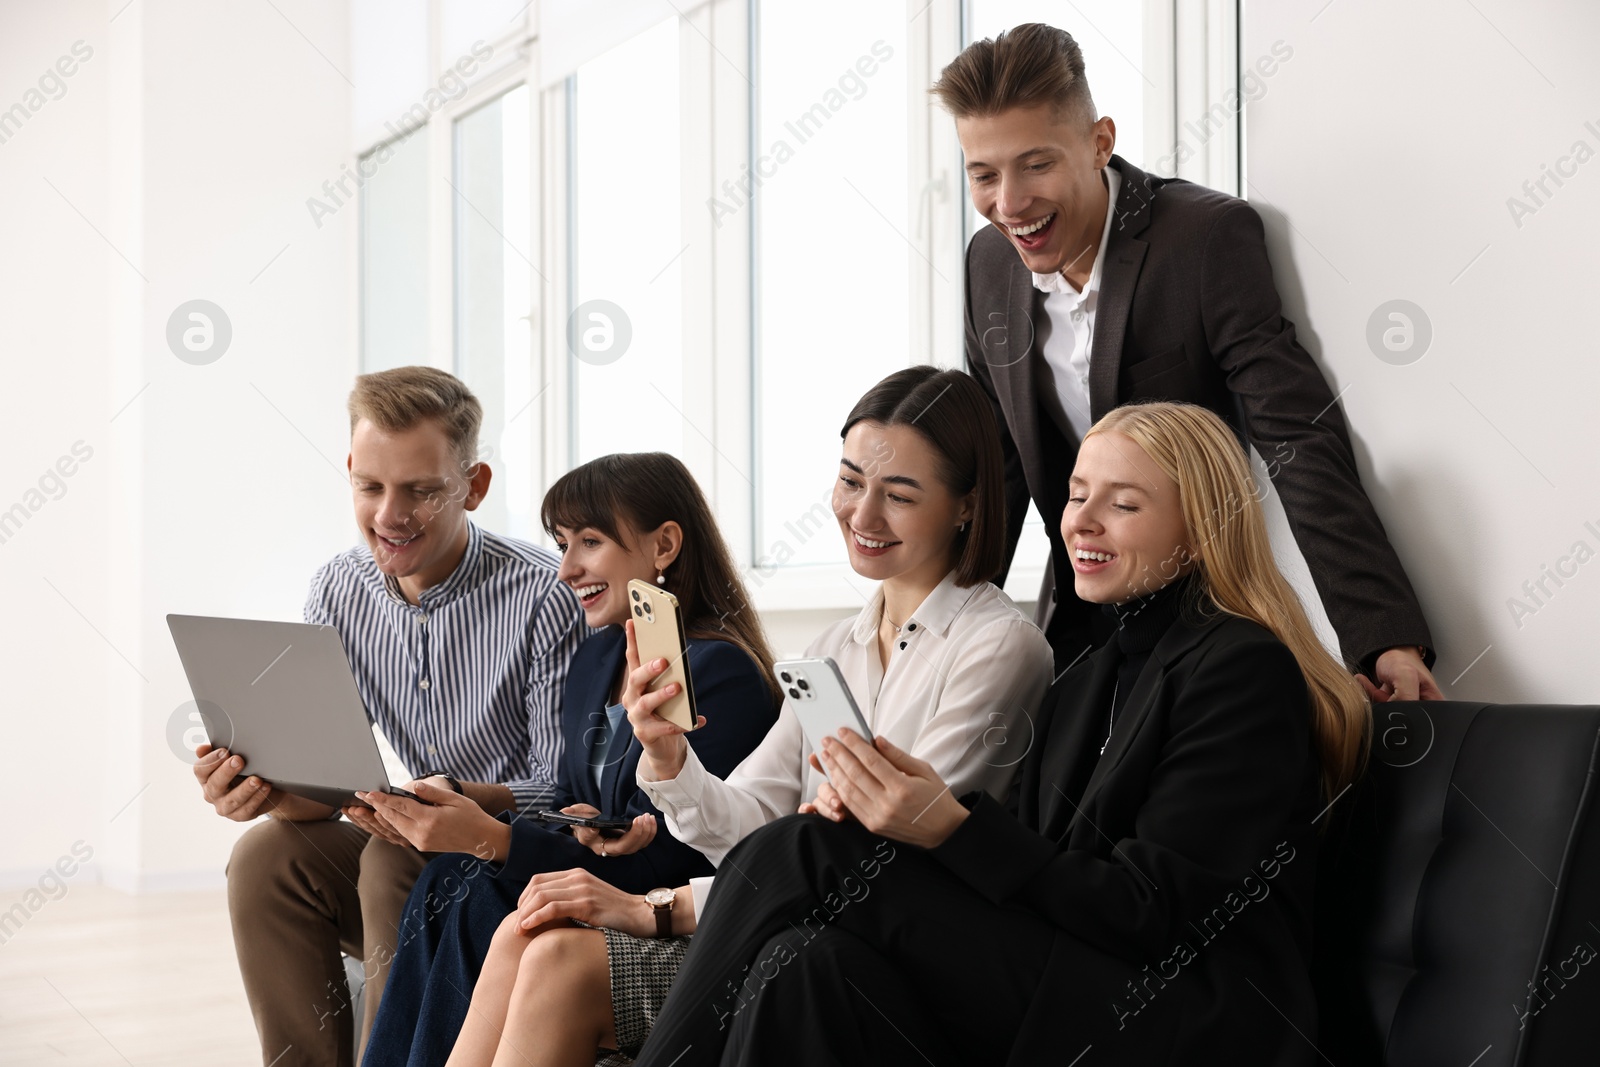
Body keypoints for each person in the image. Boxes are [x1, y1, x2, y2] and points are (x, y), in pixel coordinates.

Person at [628, 400, 1371, 1065]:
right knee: (802, 961)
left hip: (1186, 1016)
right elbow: (1033, 874)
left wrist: (946, 825)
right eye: (1077, 496)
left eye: (1123, 504)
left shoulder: (1241, 668)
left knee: (805, 848)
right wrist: (896, 822)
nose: (1081, 520)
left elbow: (1154, 914)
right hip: (1081, 977)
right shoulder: (1087, 675)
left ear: (1199, 525)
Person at [442, 365, 1056, 1066]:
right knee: (521, 929)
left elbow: (866, 860)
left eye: (900, 495)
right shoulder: (836, 647)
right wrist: (670, 756)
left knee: (558, 956)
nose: (861, 516)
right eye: (852, 482)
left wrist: (659, 908)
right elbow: (752, 826)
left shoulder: (998, 646)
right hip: (771, 914)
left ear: (967, 506)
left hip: (875, 952)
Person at [941, 22, 1441, 701]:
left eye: (1036, 164)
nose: (1009, 202)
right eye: (983, 174)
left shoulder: (1203, 240)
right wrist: (937, 632)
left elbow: (1297, 436)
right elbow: (997, 472)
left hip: (1205, 631)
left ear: (1099, 143)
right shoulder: (987, 264)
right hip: (1076, 626)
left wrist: (1384, 635)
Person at [189, 366, 589, 1067]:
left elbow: (565, 790)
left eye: (421, 490)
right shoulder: (338, 589)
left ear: (474, 486)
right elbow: (331, 785)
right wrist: (268, 788)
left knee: (389, 855)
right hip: (402, 844)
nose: (389, 514)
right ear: (349, 470)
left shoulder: (542, 596)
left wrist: (455, 805)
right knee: (266, 855)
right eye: (370, 486)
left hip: (512, 860)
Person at [359, 452, 782, 1066]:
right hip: (604, 875)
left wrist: (493, 840)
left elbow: (680, 854)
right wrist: (577, 820)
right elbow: (571, 795)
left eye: (589, 541)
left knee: (469, 886)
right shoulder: (596, 658)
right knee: (448, 880)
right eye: (562, 543)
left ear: (664, 545)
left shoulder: (720, 673)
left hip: (668, 902)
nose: (566, 569)